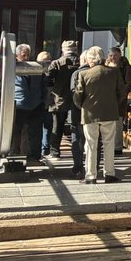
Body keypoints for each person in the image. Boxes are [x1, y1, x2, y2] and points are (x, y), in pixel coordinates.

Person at [72, 45, 126, 184]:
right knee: (109, 144)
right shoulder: (114, 72)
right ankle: (109, 174)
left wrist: (82, 106)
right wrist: (114, 104)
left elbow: (78, 95)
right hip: (109, 112)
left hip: (90, 114)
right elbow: (122, 92)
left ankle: (91, 176)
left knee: (90, 145)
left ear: (91, 59)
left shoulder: (83, 74)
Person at [47, 41, 84, 177]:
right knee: (76, 128)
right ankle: (79, 152)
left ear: (63, 50)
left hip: (59, 99)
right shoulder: (81, 62)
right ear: (75, 49)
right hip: (78, 100)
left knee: (57, 127)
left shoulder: (56, 63)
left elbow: (48, 80)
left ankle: (55, 151)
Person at [11, 43, 48, 162]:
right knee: (16, 131)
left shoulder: (35, 66)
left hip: (35, 104)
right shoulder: (11, 67)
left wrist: (42, 100)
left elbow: (43, 83)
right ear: (17, 55)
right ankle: (14, 154)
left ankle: (34, 156)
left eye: (28, 55)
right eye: (23, 55)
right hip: (18, 105)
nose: (26, 58)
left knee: (35, 132)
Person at [105, 46, 131, 153]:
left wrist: (121, 93)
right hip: (106, 99)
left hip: (119, 100)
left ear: (120, 55)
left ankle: (117, 147)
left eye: (115, 55)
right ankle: (108, 146)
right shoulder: (104, 66)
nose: (113, 57)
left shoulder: (127, 68)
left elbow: (130, 83)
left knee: (118, 124)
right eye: (111, 55)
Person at [36, 51, 53, 157]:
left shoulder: (36, 72)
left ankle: (42, 147)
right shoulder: (52, 71)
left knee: (38, 126)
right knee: (48, 126)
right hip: (49, 102)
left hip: (38, 102)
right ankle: (45, 148)